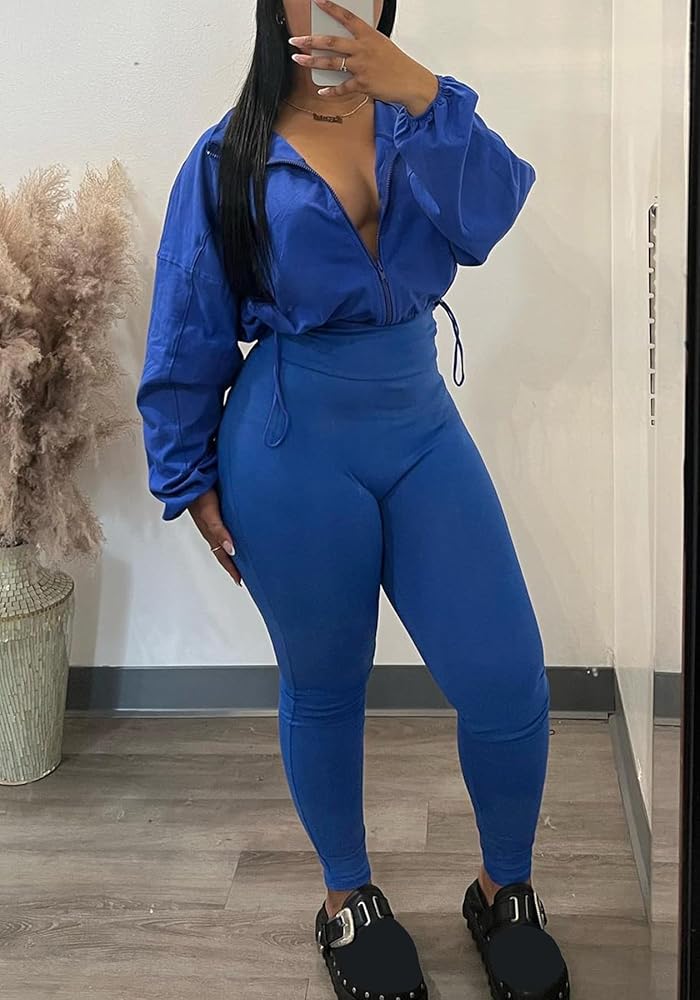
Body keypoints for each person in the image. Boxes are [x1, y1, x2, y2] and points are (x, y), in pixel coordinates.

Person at [136, 2, 570, 998]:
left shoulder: (424, 118)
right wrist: (186, 476)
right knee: (325, 684)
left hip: (419, 425)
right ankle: (347, 898)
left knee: (506, 678)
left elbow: (491, 212)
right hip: (291, 443)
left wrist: (418, 87)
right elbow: (185, 318)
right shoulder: (228, 156)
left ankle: (503, 886)